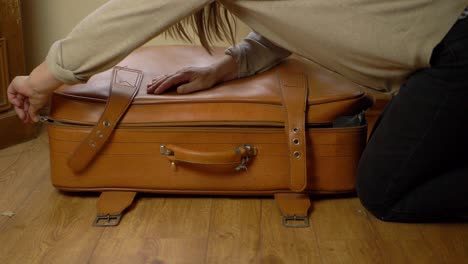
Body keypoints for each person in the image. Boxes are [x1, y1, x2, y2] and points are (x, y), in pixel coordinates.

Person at [7, 0, 468, 222]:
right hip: (440, 60)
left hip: (456, 53)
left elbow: (126, 17)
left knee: (382, 190)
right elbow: (299, 18)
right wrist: (226, 66)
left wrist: (41, 80)